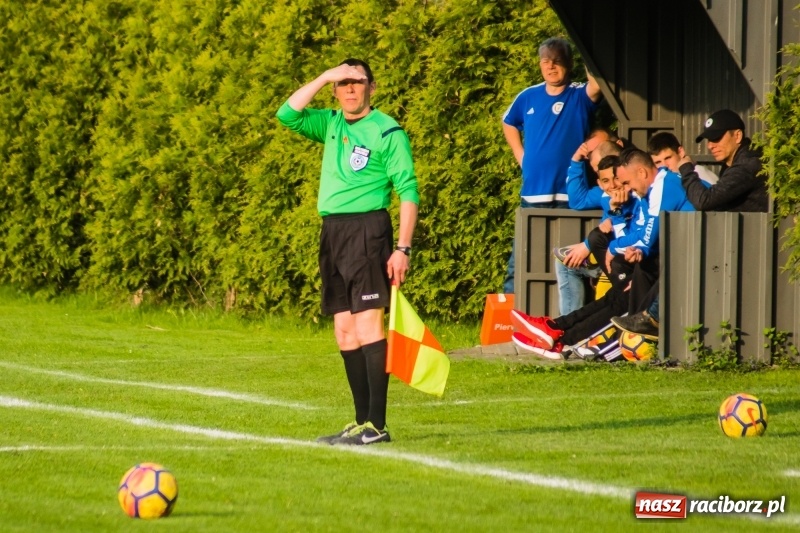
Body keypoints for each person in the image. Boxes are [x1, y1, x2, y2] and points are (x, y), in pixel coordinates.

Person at [276, 59, 419, 445]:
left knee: (368, 326)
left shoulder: (387, 131)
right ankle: (360, 422)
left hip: (367, 231)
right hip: (333, 232)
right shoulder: (331, 123)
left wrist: (402, 248)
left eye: (357, 82)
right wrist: (324, 76)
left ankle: (378, 424)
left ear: (372, 86)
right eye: (343, 83)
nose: (350, 89)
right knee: (343, 330)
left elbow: (408, 193)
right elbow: (287, 114)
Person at [511, 148, 695, 359]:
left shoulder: (655, 190)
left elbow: (645, 237)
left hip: (667, 264)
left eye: (622, 181)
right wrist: (615, 214)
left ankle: (562, 340)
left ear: (639, 172)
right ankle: (556, 328)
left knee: (621, 295)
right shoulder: (643, 192)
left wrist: (612, 242)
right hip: (653, 262)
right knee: (616, 287)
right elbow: (638, 235)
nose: (618, 186)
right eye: (607, 181)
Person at [501, 37, 602, 294]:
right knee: (520, 262)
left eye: (557, 61)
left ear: (569, 64)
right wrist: (520, 154)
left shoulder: (578, 94)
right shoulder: (528, 96)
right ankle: (511, 320)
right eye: (546, 61)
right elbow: (508, 122)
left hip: (571, 195)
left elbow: (597, 84)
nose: (551, 67)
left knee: (570, 262)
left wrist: (588, 53)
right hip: (534, 193)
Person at [678, 109, 768, 212]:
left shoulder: (747, 165)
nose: (710, 146)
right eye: (709, 140)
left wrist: (686, 170)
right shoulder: (733, 163)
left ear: (737, 136)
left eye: (716, 138)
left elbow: (703, 201)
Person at [646, 132, 718, 186]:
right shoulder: (658, 183)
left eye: (668, 158)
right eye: (658, 162)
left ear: (680, 152)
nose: (664, 165)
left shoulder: (700, 174)